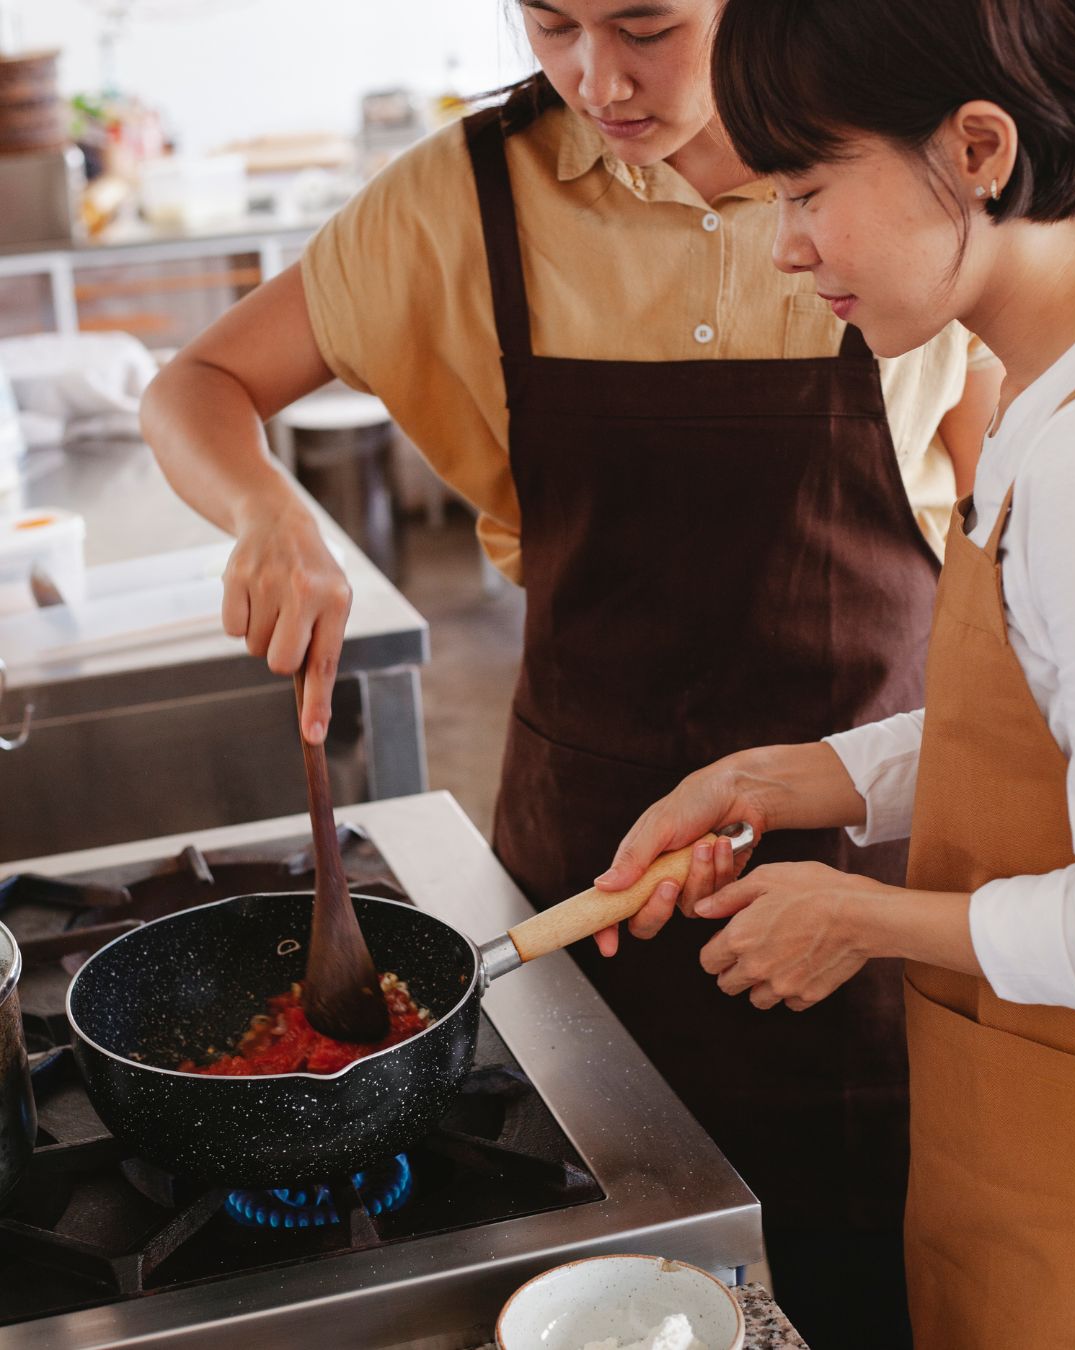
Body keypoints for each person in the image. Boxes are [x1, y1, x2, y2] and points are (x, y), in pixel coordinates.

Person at [139, 4, 998, 1343]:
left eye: (647, 24)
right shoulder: (465, 197)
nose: (599, 76)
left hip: (865, 884)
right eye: (553, 22)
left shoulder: (902, 178)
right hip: (591, 888)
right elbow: (198, 380)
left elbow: (1005, 549)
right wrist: (270, 515)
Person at [595, 0, 1075, 1344]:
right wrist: (799, 775)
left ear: (978, 147)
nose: (786, 247)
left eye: (807, 187)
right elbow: (1038, 721)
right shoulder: (1033, 397)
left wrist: (862, 920)